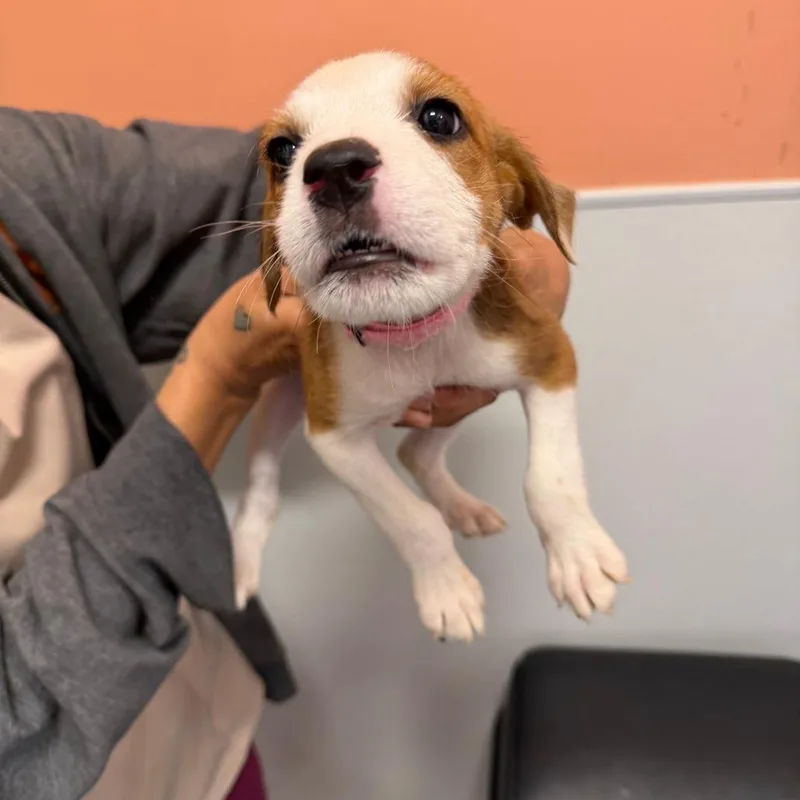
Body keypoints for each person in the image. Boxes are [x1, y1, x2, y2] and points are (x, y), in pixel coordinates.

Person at [0, 108, 570, 800]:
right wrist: (217, 373)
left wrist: (507, 243)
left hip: (199, 730)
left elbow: (274, 188)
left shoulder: (20, 169)